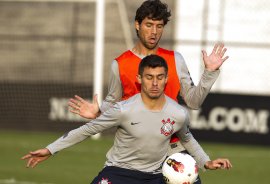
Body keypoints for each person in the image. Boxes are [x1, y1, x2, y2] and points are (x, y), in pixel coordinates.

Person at [69, 0, 229, 183]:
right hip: (138, 153)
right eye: (149, 25)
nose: (154, 32)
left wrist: (209, 73)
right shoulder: (120, 64)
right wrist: (98, 111)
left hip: (174, 151)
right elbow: (114, 104)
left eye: (159, 26)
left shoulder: (175, 60)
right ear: (137, 25)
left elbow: (193, 101)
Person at [21, 55, 232, 184]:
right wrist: (50, 149)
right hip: (120, 172)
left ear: (166, 79)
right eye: (149, 77)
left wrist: (206, 162)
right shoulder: (123, 109)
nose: (155, 83)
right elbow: (86, 130)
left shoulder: (178, 113)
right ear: (140, 79)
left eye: (160, 77)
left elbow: (187, 139)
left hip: (156, 176)